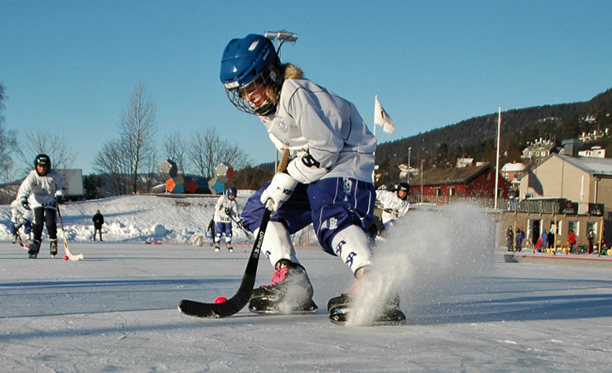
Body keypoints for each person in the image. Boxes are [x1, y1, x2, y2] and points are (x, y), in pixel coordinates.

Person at [219, 34, 404, 322]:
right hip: (314, 166)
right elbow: (296, 146)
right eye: (242, 92)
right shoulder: (268, 107)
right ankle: (293, 283)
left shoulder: (294, 92)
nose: (249, 98)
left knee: (332, 218)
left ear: (269, 74)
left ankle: (374, 281)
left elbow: (326, 147)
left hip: (345, 157)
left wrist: (289, 176)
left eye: (252, 87)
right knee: (258, 211)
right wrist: (284, 176)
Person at [16, 154, 66, 258]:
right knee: (37, 223)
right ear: (36, 166)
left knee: (50, 222)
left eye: (44, 167)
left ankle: (53, 241)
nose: (42, 169)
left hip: (50, 202)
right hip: (36, 202)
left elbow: (61, 186)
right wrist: (23, 199)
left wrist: (59, 195)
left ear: (48, 166)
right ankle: (36, 243)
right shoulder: (32, 176)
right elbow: (24, 189)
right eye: (39, 167)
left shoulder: (54, 176)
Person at [213, 187, 241, 252]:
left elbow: (235, 213)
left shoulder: (234, 202)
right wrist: (224, 209)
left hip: (227, 219)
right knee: (219, 231)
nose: (231, 197)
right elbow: (217, 207)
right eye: (230, 195)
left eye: (233, 196)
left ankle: (228, 243)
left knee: (228, 231)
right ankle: (217, 243)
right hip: (219, 218)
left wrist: (238, 220)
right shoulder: (222, 198)